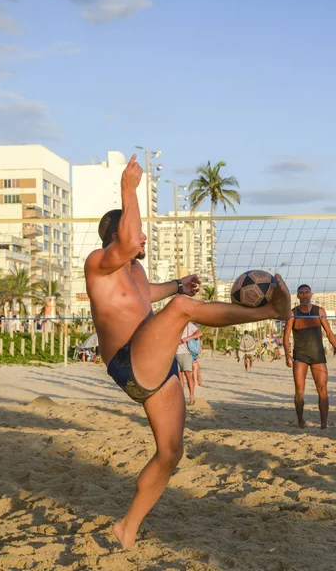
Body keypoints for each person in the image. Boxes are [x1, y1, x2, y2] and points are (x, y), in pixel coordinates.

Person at [84, 153, 292, 549]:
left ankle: (126, 529)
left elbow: (145, 295)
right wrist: (129, 190)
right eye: (137, 232)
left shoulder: (135, 272)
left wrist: (177, 284)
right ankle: (270, 311)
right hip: (129, 360)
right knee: (180, 312)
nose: (143, 238)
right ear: (116, 235)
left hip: (155, 368)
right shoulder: (98, 263)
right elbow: (129, 241)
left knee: (170, 453)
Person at [283, 283, 336, 430]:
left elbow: (330, 333)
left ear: (311, 294)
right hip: (300, 355)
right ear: (298, 296)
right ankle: (300, 421)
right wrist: (287, 355)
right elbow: (286, 336)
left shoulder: (319, 311)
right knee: (299, 390)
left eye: (307, 292)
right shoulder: (292, 313)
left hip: (318, 354)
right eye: (302, 292)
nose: (305, 294)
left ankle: (324, 424)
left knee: (323, 390)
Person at [176, 322, 203, 405]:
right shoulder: (175, 324)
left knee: (188, 375)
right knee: (179, 376)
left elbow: (200, 333)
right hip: (175, 353)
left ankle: (191, 396)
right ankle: (181, 398)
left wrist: (188, 338)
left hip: (185, 353)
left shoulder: (189, 325)